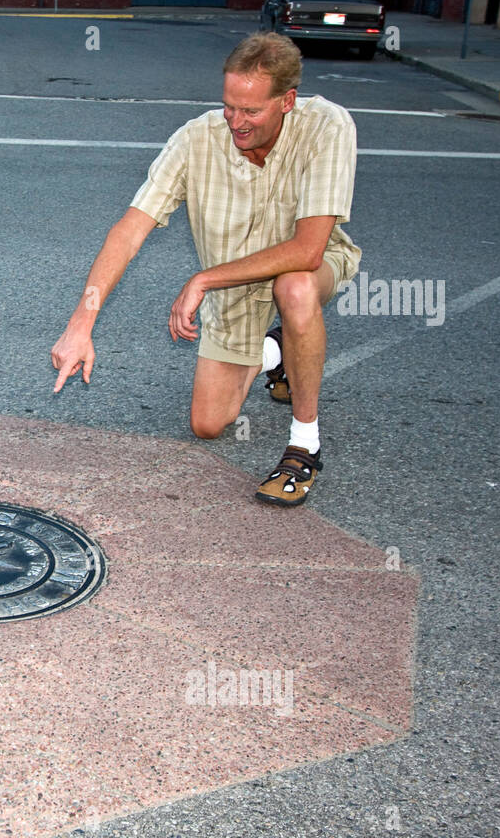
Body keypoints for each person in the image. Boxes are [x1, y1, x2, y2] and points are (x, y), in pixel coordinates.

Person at [50, 31, 361, 506]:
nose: (236, 122)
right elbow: (129, 231)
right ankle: (278, 353)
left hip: (306, 266)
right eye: (229, 106)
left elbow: (308, 250)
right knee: (208, 424)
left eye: (251, 111)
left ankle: (304, 444)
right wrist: (81, 323)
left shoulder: (328, 126)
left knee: (294, 288)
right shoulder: (196, 139)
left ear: (288, 101)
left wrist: (202, 279)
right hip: (235, 288)